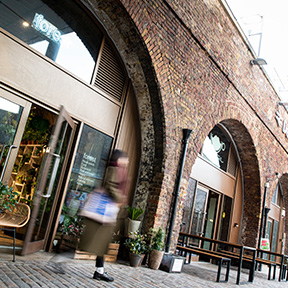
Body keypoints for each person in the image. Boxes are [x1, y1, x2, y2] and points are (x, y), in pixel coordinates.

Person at [79, 149, 129, 282]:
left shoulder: (118, 170)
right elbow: (109, 186)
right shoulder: (113, 170)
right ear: (119, 159)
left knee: (99, 243)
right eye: (125, 158)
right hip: (103, 212)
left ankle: (99, 271)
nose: (128, 161)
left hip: (106, 212)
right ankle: (61, 257)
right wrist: (120, 198)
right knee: (96, 243)